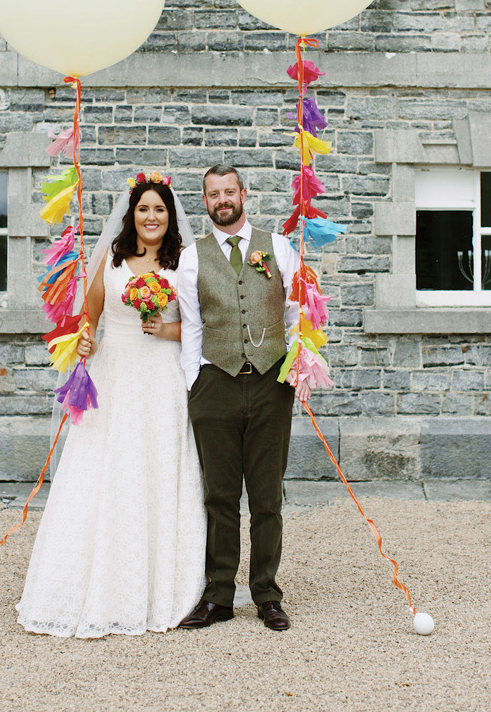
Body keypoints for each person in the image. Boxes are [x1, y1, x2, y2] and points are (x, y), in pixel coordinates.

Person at [17, 173, 206, 638]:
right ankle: (99, 582)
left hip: (163, 377)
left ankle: (165, 586)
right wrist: (84, 343)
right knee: (107, 471)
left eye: (159, 209)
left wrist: (169, 330)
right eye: (144, 209)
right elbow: (89, 322)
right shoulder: (111, 260)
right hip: (117, 374)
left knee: (161, 469)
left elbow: (206, 326)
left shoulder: (184, 262)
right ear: (131, 214)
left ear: (170, 215)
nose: (151, 217)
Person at [177, 164, 312, 632]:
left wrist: (296, 366)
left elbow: (296, 309)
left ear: (243, 194)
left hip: (272, 381)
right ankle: (218, 596)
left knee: (267, 495)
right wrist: (194, 383)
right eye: (213, 194)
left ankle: (267, 594)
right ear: (206, 201)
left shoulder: (277, 247)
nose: (222, 200)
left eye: (228, 191)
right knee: (219, 496)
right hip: (215, 383)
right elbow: (191, 326)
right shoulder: (191, 258)